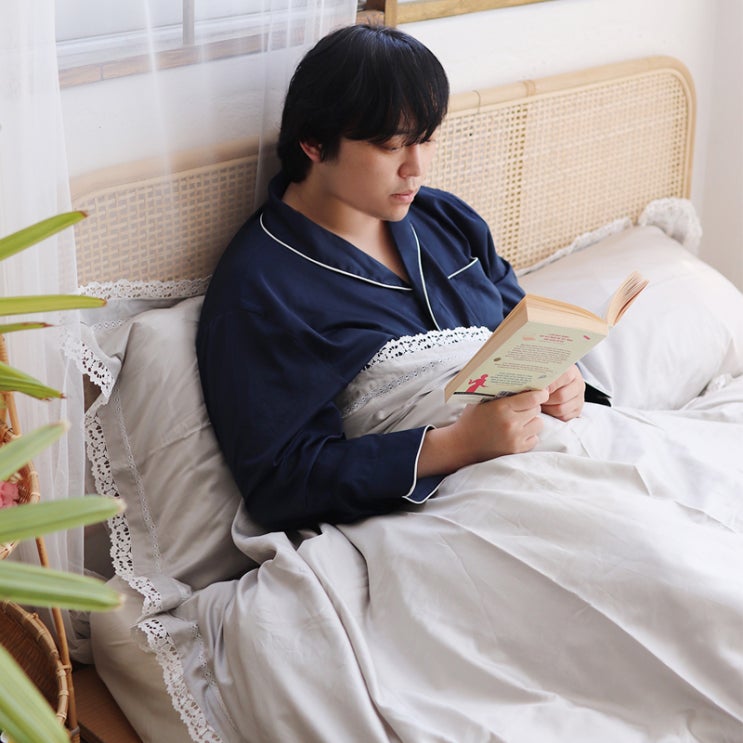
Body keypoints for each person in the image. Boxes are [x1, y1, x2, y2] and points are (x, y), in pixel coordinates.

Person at [197, 23, 591, 532]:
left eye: (427, 140)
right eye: (391, 146)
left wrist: (566, 382)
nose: (416, 169)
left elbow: (524, 327)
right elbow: (281, 482)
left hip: (558, 448)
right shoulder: (260, 287)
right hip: (451, 508)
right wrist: (457, 445)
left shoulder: (446, 220)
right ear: (314, 141)